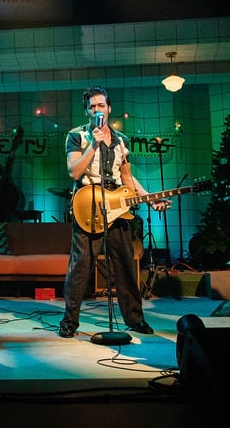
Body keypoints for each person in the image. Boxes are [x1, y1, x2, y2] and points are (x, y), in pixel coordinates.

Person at [58, 86, 169, 339]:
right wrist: (93, 146)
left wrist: (149, 200)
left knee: (126, 264)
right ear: (87, 111)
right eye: (92, 106)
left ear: (109, 108)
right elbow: (74, 172)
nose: (97, 110)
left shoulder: (122, 141)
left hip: (117, 206)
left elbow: (127, 178)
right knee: (81, 267)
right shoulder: (77, 136)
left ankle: (135, 318)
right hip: (89, 205)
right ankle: (69, 321)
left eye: (101, 105)